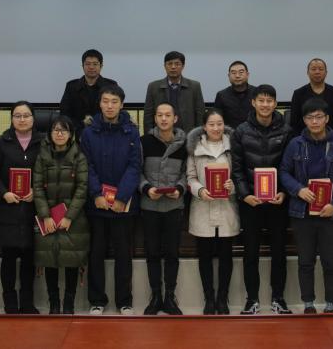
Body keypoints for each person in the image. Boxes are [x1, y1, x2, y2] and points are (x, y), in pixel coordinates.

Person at [279, 97, 333, 314]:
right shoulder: (295, 144)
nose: (314, 121)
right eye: (310, 117)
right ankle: (308, 303)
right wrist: (298, 189)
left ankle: (331, 304)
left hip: (331, 213)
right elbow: (284, 172)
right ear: (304, 120)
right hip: (302, 213)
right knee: (305, 261)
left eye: (319, 117)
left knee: (330, 261)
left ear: (327, 118)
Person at [230, 84, 293, 314]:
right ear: (253, 103)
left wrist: (284, 192)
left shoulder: (287, 130)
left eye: (269, 101)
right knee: (250, 252)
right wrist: (245, 194)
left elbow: (290, 167)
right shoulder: (241, 131)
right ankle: (252, 299)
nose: (265, 105)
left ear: (275, 104)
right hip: (251, 202)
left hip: (278, 201)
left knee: (279, 252)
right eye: (261, 100)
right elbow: (236, 168)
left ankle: (279, 298)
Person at [81, 84, 141, 315]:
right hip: (96, 204)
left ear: (121, 105)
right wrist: (96, 193)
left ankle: (124, 301)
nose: (109, 106)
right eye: (105, 101)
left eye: (114, 102)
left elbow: (134, 166)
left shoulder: (131, 131)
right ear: (100, 104)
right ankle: (97, 300)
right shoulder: (88, 132)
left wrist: (122, 197)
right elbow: (86, 166)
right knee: (96, 254)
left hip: (123, 206)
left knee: (123, 254)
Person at [0, 101, 45, 313]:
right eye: (17, 116)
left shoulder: (43, 142)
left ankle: (27, 303)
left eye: (26, 115)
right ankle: (10, 302)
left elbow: (50, 172)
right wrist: (4, 193)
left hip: (33, 209)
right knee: (9, 259)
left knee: (29, 259)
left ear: (34, 118)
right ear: (11, 119)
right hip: (8, 209)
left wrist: (37, 192)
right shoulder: (2, 142)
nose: (22, 120)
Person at [33, 115, 90, 315]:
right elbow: (37, 187)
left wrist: (69, 216)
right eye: (55, 130)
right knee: (50, 260)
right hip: (47, 218)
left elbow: (82, 189)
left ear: (71, 134)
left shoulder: (79, 157)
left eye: (64, 130)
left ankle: (69, 304)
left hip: (73, 220)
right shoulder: (42, 156)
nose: (59, 134)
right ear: (49, 133)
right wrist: (45, 215)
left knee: (71, 260)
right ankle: (54, 304)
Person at [186, 109, 239, 315]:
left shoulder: (233, 146)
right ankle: (209, 298)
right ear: (204, 127)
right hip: (202, 208)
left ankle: (223, 298)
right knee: (205, 256)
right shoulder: (195, 147)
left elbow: (239, 175)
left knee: (226, 256)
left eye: (219, 124)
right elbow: (190, 177)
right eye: (211, 124)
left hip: (227, 208)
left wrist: (232, 186)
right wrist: (200, 190)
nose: (216, 128)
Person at [139, 102, 188, 315]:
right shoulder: (144, 142)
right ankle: (155, 296)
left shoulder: (185, 144)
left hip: (174, 206)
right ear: (155, 118)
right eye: (160, 115)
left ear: (175, 118)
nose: (164, 119)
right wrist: (146, 188)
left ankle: (170, 296)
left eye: (168, 115)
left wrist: (180, 188)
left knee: (172, 253)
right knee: (152, 252)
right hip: (149, 205)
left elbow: (188, 172)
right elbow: (136, 170)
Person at [59, 48, 117, 137]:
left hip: (105, 132)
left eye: (95, 64)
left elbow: (116, 111)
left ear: (101, 66)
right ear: (82, 66)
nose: (91, 67)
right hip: (78, 133)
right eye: (88, 64)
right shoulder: (71, 86)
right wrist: (80, 127)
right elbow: (65, 113)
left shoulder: (111, 85)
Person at [144, 50, 205, 132]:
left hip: (187, 135)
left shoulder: (194, 86)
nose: (173, 67)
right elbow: (148, 116)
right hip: (160, 135)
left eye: (177, 64)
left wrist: (198, 135)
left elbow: (200, 115)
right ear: (164, 66)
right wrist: (149, 136)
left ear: (183, 66)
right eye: (169, 64)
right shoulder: (153, 87)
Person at [289, 58, 333, 136]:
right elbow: (294, 123)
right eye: (313, 69)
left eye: (321, 69)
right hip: (305, 139)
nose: (317, 72)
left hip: (331, 138)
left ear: (326, 73)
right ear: (308, 72)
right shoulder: (298, 94)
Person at [213, 60, 257, 128]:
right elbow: (216, 120)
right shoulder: (221, 95)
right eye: (233, 73)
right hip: (229, 133)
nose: (237, 76)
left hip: (253, 133)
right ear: (229, 76)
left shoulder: (257, 93)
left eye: (241, 72)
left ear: (247, 75)